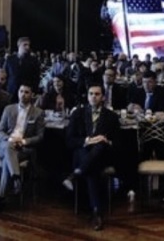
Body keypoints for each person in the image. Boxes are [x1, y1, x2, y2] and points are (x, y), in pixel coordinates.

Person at [63, 84, 120, 231]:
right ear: (87, 96)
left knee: (100, 147)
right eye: (91, 94)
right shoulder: (78, 113)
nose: (93, 96)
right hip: (82, 153)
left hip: (103, 155)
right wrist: (87, 140)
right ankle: (97, 212)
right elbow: (69, 141)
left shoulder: (112, 116)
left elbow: (119, 143)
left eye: (97, 94)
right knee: (91, 167)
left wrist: (107, 141)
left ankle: (75, 175)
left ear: (103, 97)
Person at [0, 84, 44, 212]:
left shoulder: (38, 112)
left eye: (26, 92)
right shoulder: (9, 109)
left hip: (22, 148)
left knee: (6, 161)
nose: (23, 94)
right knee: (9, 147)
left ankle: (2, 197)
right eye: (21, 91)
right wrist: (10, 139)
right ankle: (15, 178)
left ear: (32, 95)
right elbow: (0, 131)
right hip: (5, 144)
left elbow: (40, 136)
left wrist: (24, 141)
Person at [3, 37, 40, 103]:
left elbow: (36, 78)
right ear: (19, 45)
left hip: (26, 93)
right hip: (11, 92)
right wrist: (4, 89)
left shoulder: (33, 61)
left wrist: (34, 91)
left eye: (28, 45)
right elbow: (5, 75)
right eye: (25, 45)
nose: (27, 47)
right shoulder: (10, 59)